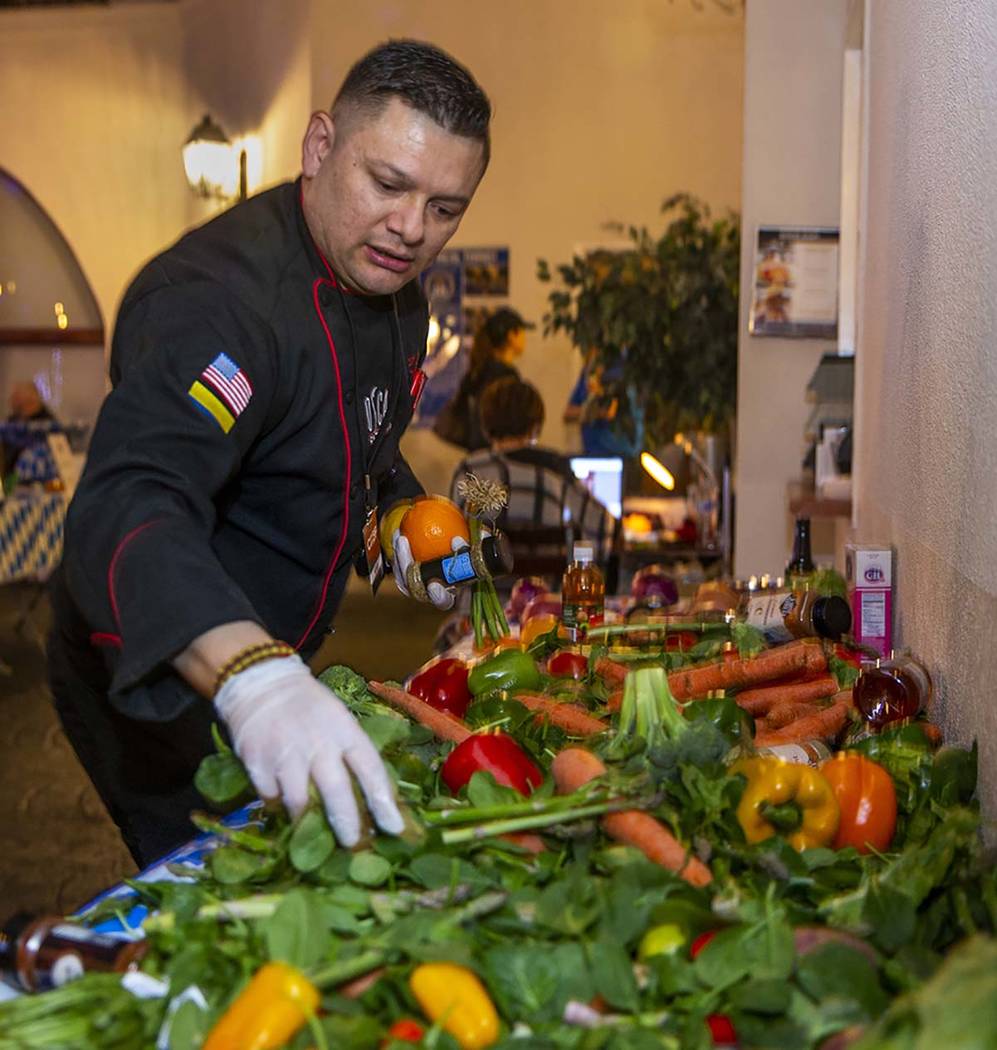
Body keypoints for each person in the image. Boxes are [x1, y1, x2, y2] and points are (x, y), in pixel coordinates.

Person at [48, 39, 492, 868]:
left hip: (278, 653)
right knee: (220, 882)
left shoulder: (388, 281)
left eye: (444, 208)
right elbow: (130, 501)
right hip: (157, 666)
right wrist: (255, 676)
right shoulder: (216, 304)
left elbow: (364, 451)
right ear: (319, 146)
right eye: (388, 184)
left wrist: (405, 532)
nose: (411, 230)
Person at [450, 377, 617, 565]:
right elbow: (602, 523)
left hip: (482, 593)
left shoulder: (468, 471)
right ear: (536, 427)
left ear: (486, 425)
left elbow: (453, 543)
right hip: (544, 592)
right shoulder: (555, 470)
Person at [433, 306, 533, 451]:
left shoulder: (480, 370)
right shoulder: (505, 376)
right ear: (512, 335)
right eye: (522, 332)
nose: (525, 338)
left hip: (478, 456)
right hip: (496, 456)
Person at [1, 381, 57, 482]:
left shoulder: (47, 425)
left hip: (35, 482)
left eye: (15, 397)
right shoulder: (12, 421)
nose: (10, 400)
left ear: (27, 400)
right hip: (9, 479)